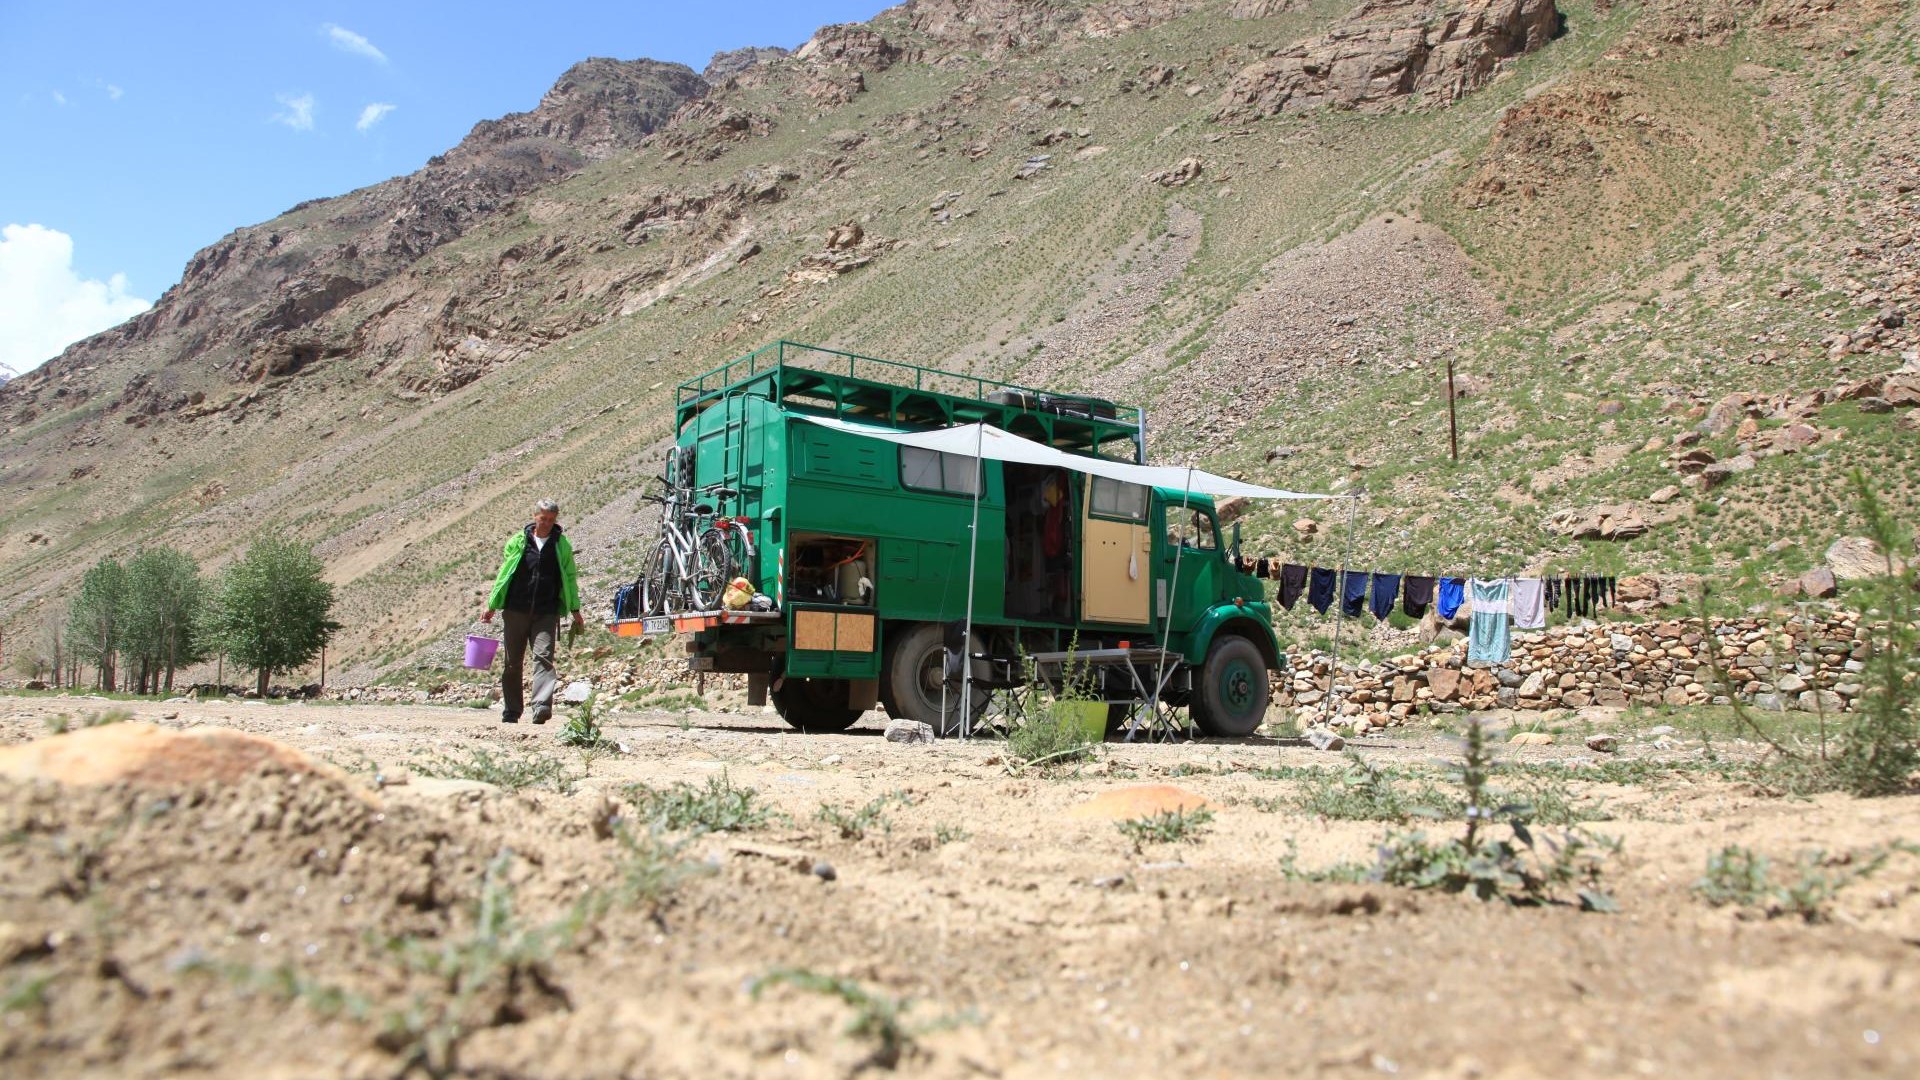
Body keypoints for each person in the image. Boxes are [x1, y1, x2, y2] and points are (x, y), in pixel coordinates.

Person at [481, 498, 584, 723]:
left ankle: (541, 707)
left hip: (546, 613)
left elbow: (569, 578)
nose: (546, 523)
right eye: (543, 518)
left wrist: (575, 608)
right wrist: (491, 605)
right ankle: (511, 711)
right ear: (535, 516)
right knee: (512, 662)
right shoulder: (518, 542)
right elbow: (504, 576)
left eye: (551, 519)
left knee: (544, 657)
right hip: (515, 610)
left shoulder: (561, 545)